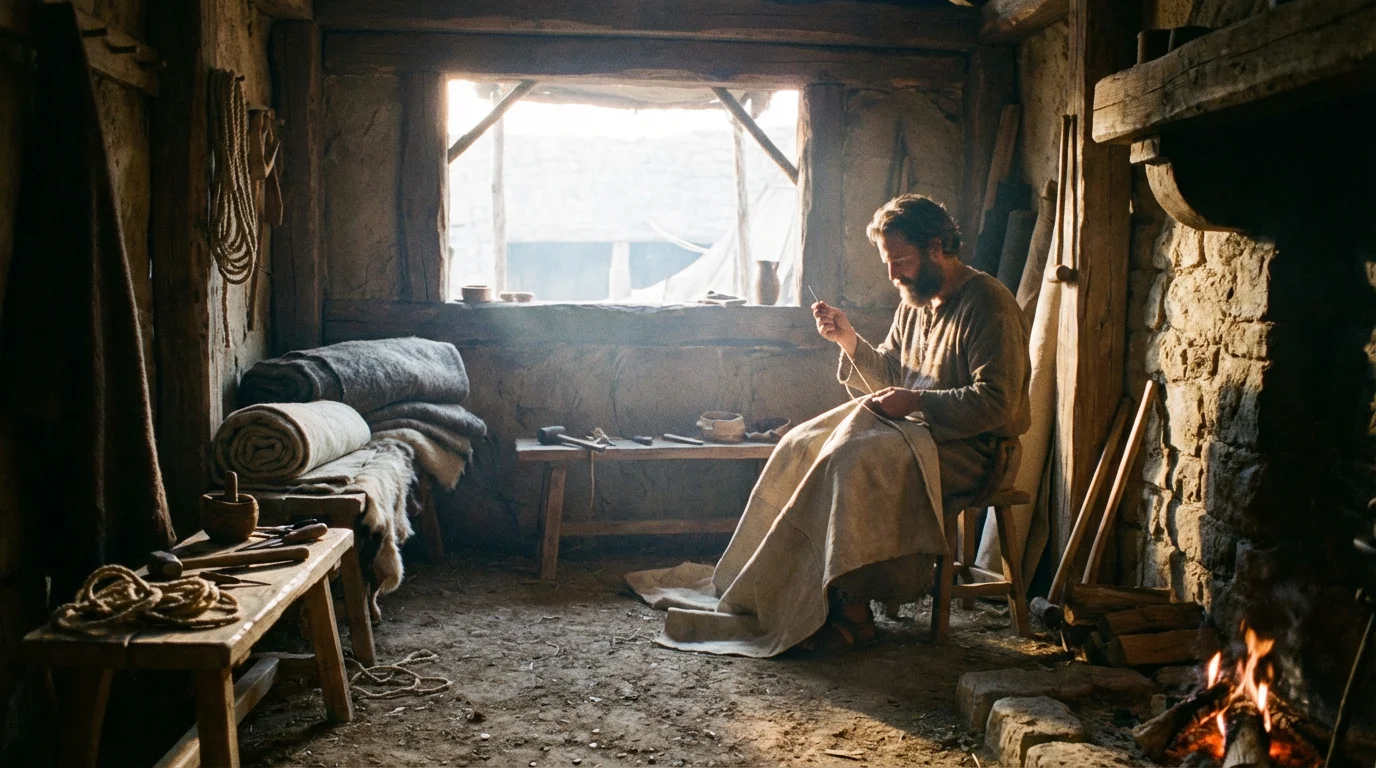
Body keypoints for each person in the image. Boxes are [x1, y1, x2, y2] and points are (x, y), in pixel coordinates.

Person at [625, 195, 1030, 657]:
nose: (894, 275)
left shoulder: (989, 304)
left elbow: (997, 403)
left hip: (976, 451)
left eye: (901, 261)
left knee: (849, 460)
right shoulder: (914, 303)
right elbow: (893, 373)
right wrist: (848, 339)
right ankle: (782, 586)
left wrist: (915, 399)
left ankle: (850, 602)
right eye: (888, 263)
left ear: (937, 248)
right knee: (802, 444)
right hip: (919, 435)